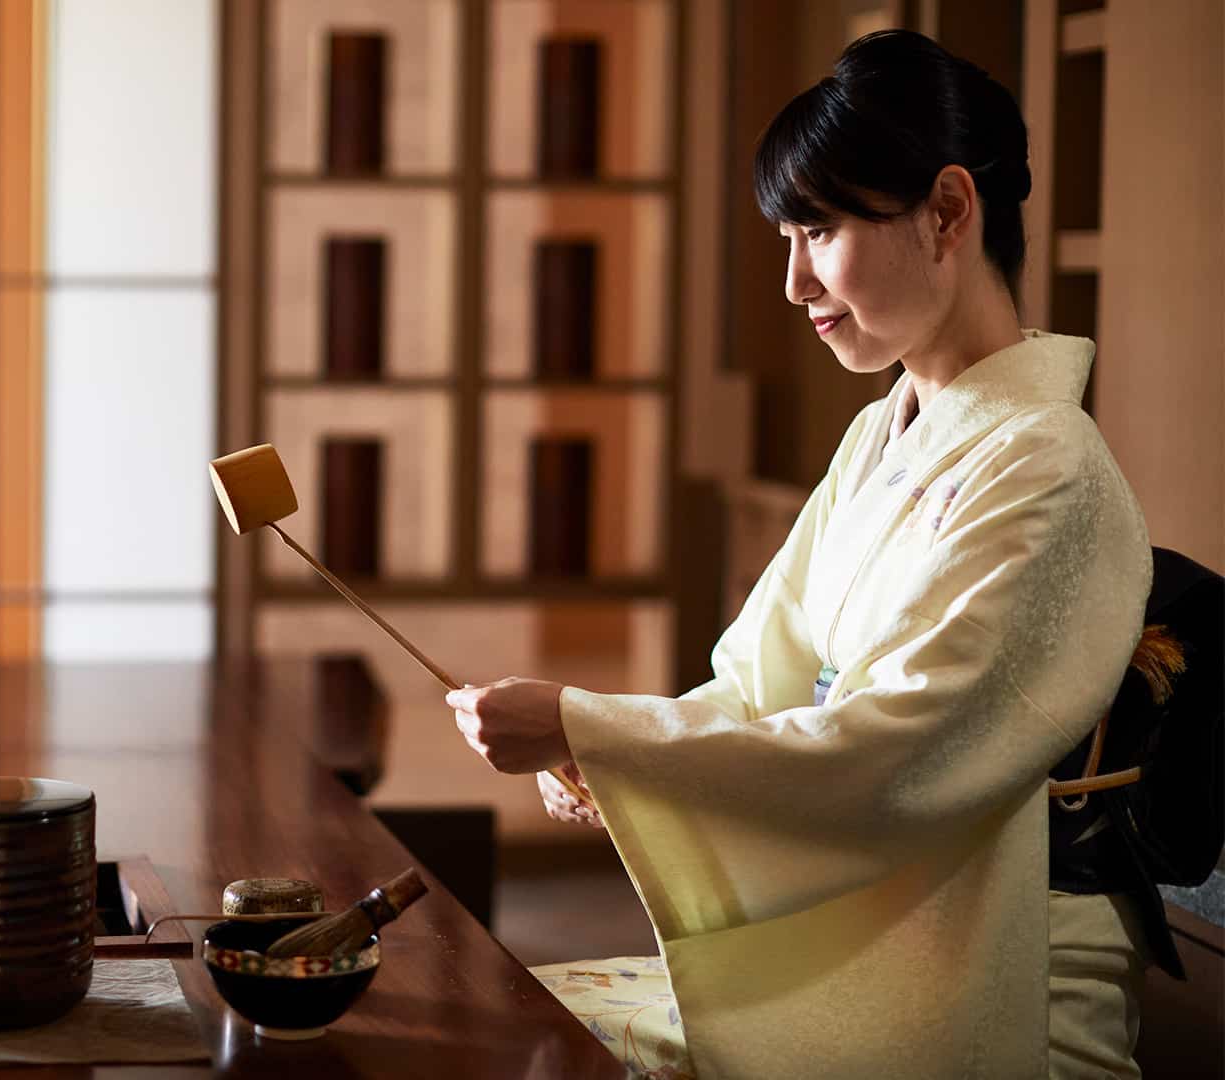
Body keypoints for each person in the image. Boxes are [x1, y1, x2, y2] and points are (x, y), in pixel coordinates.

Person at [446, 30, 1152, 1079]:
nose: (792, 282)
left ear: (949, 212)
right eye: (786, 237)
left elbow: (896, 756)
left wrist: (599, 732)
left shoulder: (1051, 466)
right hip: (880, 924)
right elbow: (758, 678)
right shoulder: (884, 434)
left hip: (985, 964)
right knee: (497, 1015)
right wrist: (600, 746)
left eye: (817, 230)